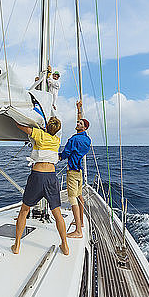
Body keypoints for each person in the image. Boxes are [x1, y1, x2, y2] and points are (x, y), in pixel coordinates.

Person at [12, 117, 69, 255]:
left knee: (24, 210)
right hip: (51, 178)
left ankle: (17, 245)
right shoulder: (56, 140)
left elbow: (19, 124)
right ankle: (65, 246)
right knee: (57, 214)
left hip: (37, 176)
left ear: (47, 126)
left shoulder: (39, 134)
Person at [59, 101, 91, 238]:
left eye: (80, 124)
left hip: (72, 171)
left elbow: (66, 153)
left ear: (83, 128)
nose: (77, 124)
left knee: (72, 199)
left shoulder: (74, 139)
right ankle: (81, 222)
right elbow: (81, 120)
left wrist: (58, 156)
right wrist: (79, 109)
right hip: (79, 172)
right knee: (79, 197)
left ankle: (78, 231)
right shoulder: (87, 140)